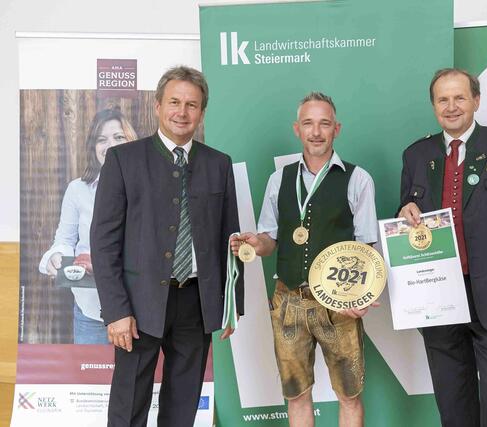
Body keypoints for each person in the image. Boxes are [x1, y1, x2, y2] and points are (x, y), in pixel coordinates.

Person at [90, 66, 243, 427]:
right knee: (128, 404)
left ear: (202, 112)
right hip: (137, 305)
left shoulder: (218, 164)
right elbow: (104, 240)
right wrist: (116, 311)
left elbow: (230, 236)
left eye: (192, 104)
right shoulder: (123, 160)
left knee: (183, 405)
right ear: (157, 106)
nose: (182, 112)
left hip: (196, 303)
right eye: (174, 102)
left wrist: (230, 304)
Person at [398, 68, 487, 427]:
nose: (451, 107)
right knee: (452, 399)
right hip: (437, 299)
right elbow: (407, 223)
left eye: (459, 97)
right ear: (433, 106)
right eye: (442, 100)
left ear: (476, 100)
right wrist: (405, 212)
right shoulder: (416, 155)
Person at [231, 92, 378, 427]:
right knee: (296, 394)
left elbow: (366, 247)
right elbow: (270, 240)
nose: (316, 131)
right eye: (309, 123)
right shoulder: (278, 179)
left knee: (350, 394)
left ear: (336, 129)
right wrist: (257, 242)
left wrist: (361, 296)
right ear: (297, 129)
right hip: (288, 301)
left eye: (324, 123)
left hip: (339, 304)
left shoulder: (357, 178)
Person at [39, 108, 137, 344]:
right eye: (101, 139)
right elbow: (64, 240)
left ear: (131, 141)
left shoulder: (148, 187)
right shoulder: (77, 190)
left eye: (118, 137)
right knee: (91, 380)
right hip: (90, 313)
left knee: (134, 381)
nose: (110, 145)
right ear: (94, 148)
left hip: (137, 312)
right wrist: (56, 257)